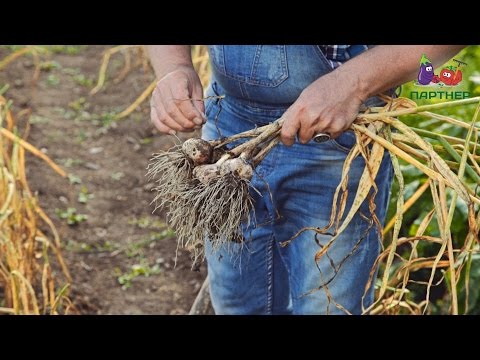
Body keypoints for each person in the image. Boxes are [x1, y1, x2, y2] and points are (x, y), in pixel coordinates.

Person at [148, 45, 464, 315]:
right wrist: (173, 67)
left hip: (339, 136)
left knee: (326, 306)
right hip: (226, 132)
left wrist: (352, 84)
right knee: (236, 302)